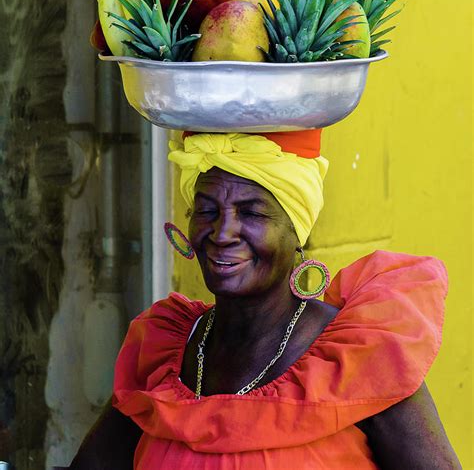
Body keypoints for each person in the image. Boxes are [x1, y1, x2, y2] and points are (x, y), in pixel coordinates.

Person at [71, 130, 461, 469]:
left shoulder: (360, 360)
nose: (223, 232)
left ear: (298, 235)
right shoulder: (163, 353)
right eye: (207, 210)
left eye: (252, 213)